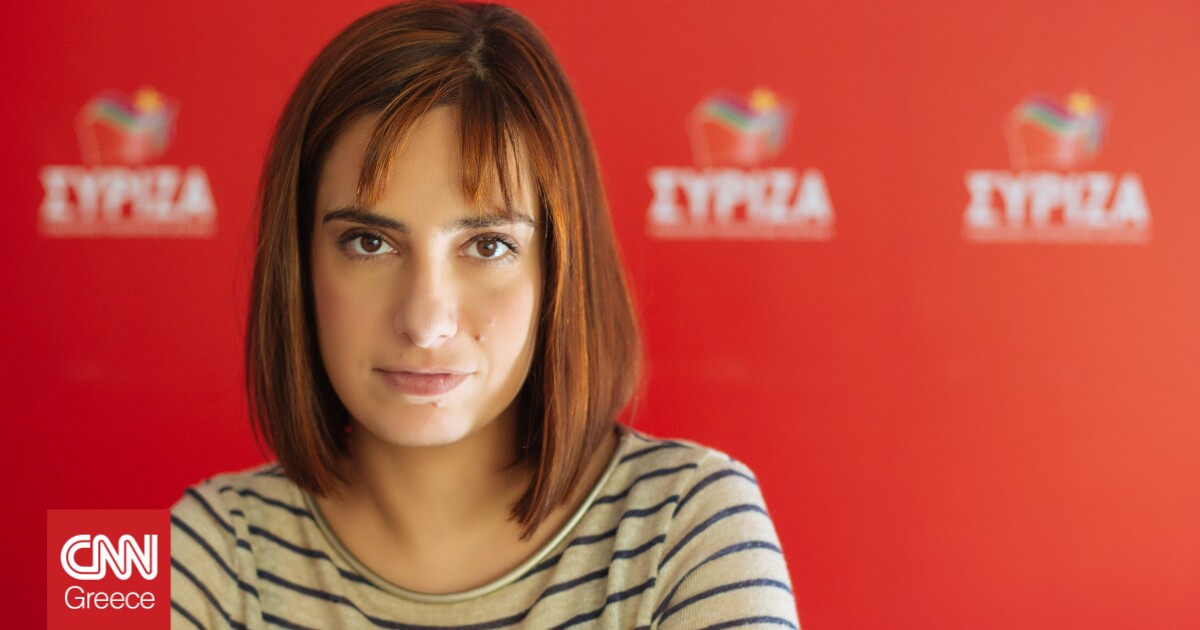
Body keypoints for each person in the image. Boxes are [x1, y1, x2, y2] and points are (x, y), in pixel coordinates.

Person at [169, 1, 799, 627]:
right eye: (369, 242)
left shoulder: (694, 523)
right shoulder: (191, 544)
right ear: (298, 261)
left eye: (489, 246)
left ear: (559, 268)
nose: (426, 322)